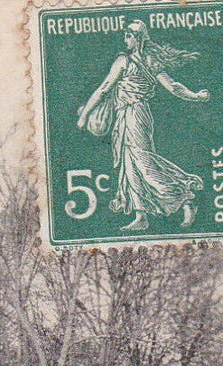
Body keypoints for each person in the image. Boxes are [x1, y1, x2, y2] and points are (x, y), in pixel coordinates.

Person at [76, 20, 210, 231]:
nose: (125, 39)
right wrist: (196, 96)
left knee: (143, 163)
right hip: (127, 116)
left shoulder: (129, 61)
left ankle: (184, 198)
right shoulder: (147, 61)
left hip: (135, 115)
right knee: (129, 166)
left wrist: (84, 115)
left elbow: (104, 89)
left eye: (128, 36)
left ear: (137, 38)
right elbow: (173, 87)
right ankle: (141, 216)